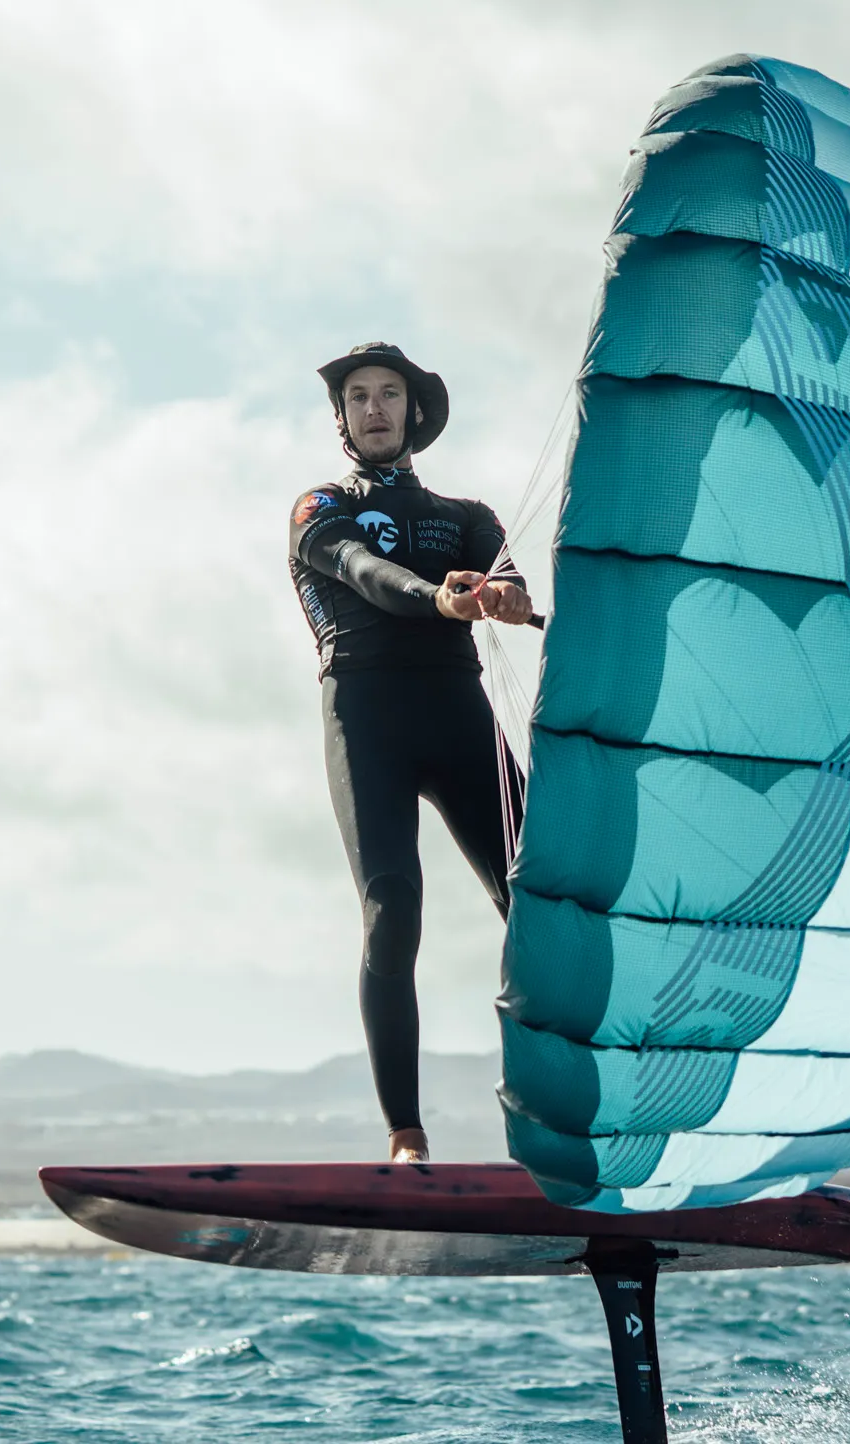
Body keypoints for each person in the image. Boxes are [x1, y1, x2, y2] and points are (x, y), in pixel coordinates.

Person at [288, 343, 533, 1164]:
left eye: (388, 393)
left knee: (545, 905)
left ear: (414, 410)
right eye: (357, 397)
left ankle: (572, 1112)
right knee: (392, 911)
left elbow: (513, 585)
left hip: (457, 712)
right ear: (343, 416)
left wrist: (502, 596)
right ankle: (406, 1137)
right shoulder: (320, 507)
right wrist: (439, 597)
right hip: (367, 715)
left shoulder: (469, 516)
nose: (374, 408)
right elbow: (364, 573)